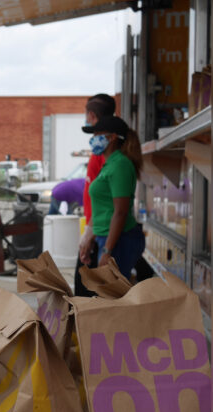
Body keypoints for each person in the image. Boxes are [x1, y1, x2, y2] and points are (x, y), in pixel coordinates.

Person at [80, 116, 145, 279]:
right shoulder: (109, 164)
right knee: (108, 294)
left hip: (118, 241)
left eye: (97, 135)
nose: (93, 139)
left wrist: (108, 251)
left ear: (112, 137)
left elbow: (120, 212)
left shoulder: (120, 165)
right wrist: (90, 237)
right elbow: (102, 208)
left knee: (113, 296)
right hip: (107, 238)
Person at [74, 94, 115, 296]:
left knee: (85, 293)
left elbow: (107, 197)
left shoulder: (105, 151)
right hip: (97, 228)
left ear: (90, 115)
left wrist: (89, 232)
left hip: (100, 230)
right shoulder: (102, 149)